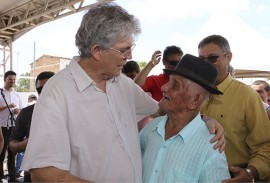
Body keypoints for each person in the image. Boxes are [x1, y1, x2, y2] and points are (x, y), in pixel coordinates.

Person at [21, 3, 224, 182]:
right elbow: (44, 174)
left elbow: (163, 108)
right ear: (97, 50)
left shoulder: (121, 83)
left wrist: (203, 120)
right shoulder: (58, 93)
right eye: (124, 49)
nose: (130, 55)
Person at [140, 54, 230, 182]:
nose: (164, 87)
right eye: (168, 81)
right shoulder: (151, 128)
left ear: (195, 100)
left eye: (175, 85)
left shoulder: (210, 147)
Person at [198, 34, 270, 182]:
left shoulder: (247, 96)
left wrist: (250, 173)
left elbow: (265, 146)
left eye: (212, 58)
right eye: (201, 60)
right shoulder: (195, 93)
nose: (206, 64)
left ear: (228, 57)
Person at [9, 71, 55, 182]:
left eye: (49, 88)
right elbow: (12, 144)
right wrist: (26, 143)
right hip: (34, 173)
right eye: (40, 89)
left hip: (66, 172)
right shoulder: (27, 113)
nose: (44, 92)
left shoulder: (72, 111)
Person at [0, 70, 22, 181]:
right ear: (5, 79)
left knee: (12, 153)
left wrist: (17, 110)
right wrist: (8, 106)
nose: (12, 81)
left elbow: (21, 110)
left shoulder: (16, 94)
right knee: (1, 153)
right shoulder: (0, 93)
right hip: (1, 127)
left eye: (14, 79)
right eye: (10, 79)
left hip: (13, 126)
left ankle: (12, 177)